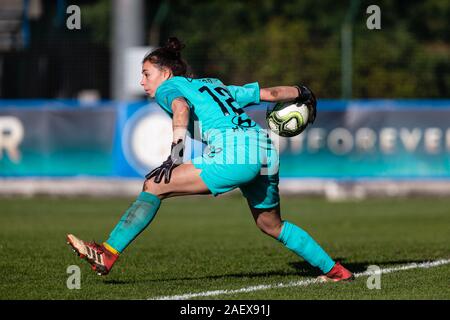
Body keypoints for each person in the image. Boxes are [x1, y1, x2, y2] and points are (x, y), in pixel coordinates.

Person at [67, 37, 353, 282]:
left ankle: (107, 253)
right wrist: (304, 93)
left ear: (166, 73)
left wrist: (176, 154)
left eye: (147, 74)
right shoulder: (216, 85)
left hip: (236, 154)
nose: (142, 81)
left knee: (154, 185)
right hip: (265, 151)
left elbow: (180, 108)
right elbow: (270, 94)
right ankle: (337, 271)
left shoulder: (170, 88)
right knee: (271, 225)